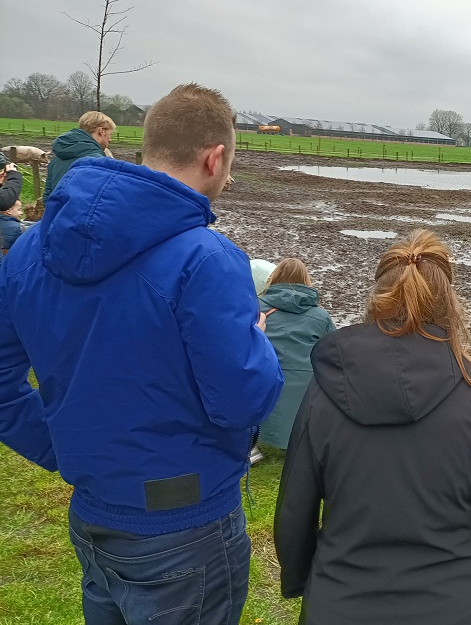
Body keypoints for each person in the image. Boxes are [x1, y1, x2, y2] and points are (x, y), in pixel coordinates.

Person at [0, 84, 284, 624]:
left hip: (93, 510)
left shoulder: (31, 247)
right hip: (186, 524)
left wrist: (63, 450)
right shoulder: (208, 259)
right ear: (215, 157)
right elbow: (243, 402)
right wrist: (259, 341)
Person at [274, 229, 471, 625]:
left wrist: (298, 581)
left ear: (376, 296)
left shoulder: (324, 390)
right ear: (449, 299)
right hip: (449, 604)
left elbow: (295, 507)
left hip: (339, 601)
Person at [255, 257, 335, 455]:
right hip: (303, 405)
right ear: (306, 281)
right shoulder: (321, 316)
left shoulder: (255, 308)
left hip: (261, 397)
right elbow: (333, 354)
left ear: (273, 279)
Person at [42, 110, 115, 203]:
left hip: (58, 215)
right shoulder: (99, 162)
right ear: (101, 131)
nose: (110, 140)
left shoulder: (56, 159)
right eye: (110, 134)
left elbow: (48, 196)